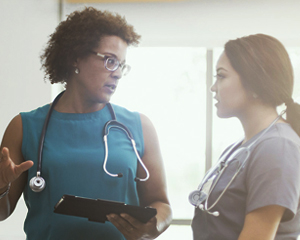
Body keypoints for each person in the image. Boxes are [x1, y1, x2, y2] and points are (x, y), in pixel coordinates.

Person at [0, 7, 172, 240]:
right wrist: (1, 187)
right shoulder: (24, 126)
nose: (118, 73)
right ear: (75, 57)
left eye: (122, 65)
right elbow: (2, 212)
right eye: (110, 61)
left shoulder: (139, 126)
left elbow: (162, 204)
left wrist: (154, 226)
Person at [190, 34, 300, 240]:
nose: (213, 87)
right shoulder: (240, 147)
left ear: (255, 83)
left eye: (221, 76)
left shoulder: (278, 146)